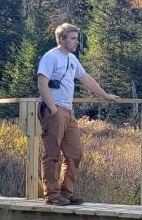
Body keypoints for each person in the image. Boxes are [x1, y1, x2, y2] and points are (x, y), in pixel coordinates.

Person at [37, 23, 119, 205]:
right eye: (73, 38)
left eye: (76, 38)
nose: (76, 42)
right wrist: (52, 109)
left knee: (75, 153)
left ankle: (66, 193)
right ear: (61, 39)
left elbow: (86, 79)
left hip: (68, 111)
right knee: (52, 154)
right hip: (55, 109)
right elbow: (42, 83)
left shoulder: (72, 59)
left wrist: (105, 95)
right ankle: (52, 195)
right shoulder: (50, 57)